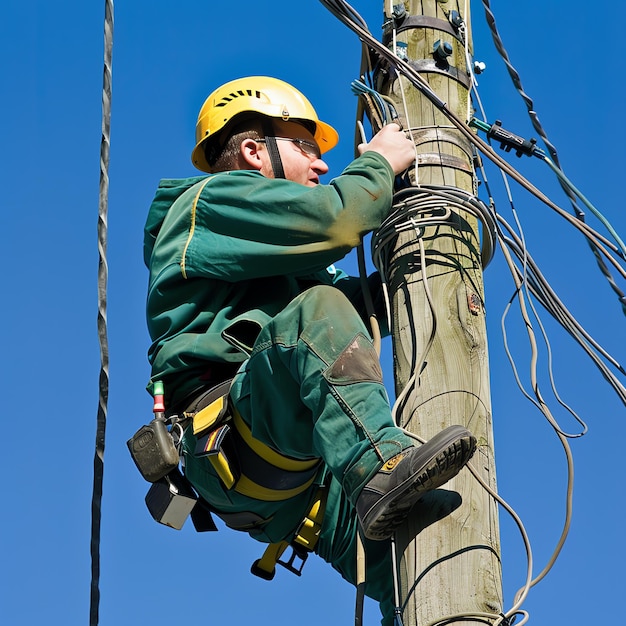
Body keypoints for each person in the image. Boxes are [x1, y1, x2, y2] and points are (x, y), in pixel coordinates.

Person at [143, 76, 476, 624]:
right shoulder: (206, 206)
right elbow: (339, 220)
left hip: (302, 490)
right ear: (253, 150)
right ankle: (379, 460)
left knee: (441, 543)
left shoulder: (271, 259)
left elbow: (356, 304)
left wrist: (444, 246)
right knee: (316, 314)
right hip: (231, 432)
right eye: (305, 147)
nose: (321, 166)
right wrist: (379, 164)